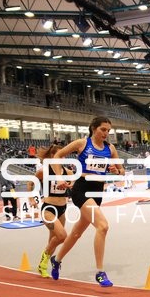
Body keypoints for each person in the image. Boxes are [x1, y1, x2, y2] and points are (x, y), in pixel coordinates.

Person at [49, 116, 125, 287]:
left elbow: (122, 171)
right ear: (93, 128)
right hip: (81, 189)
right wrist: (59, 177)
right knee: (103, 226)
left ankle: (57, 260)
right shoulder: (82, 143)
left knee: (76, 233)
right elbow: (58, 156)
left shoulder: (110, 148)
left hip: (97, 191)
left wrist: (116, 170)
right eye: (103, 129)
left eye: (108, 130)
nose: (106, 133)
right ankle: (100, 272)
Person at [34, 144, 70, 277]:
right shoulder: (45, 171)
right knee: (62, 236)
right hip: (48, 209)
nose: (62, 158)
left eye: (63, 155)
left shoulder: (67, 172)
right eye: (59, 155)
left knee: (53, 240)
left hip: (62, 209)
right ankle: (44, 257)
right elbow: (31, 182)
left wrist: (71, 184)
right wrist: (32, 198)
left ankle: (42, 266)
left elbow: (77, 182)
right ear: (52, 156)